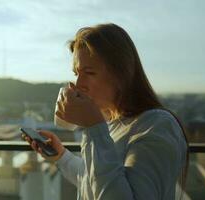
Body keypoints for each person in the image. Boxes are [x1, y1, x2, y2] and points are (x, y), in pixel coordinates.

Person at [23, 23, 189, 200]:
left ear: (121, 74)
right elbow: (96, 183)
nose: (78, 85)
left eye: (89, 72)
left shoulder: (157, 126)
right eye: (76, 73)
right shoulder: (114, 125)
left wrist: (93, 127)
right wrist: (62, 156)